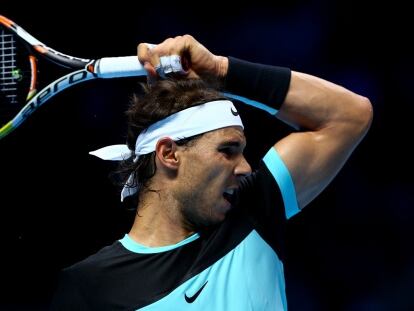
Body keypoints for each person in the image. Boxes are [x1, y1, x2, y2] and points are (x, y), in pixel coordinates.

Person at [50, 35, 372, 310]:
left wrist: (220, 70)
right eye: (227, 150)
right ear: (169, 154)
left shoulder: (255, 211)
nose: (246, 167)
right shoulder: (88, 288)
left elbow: (350, 116)